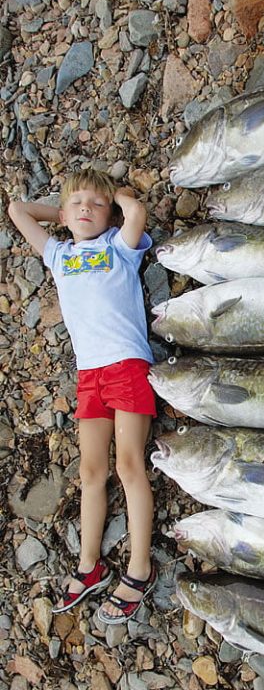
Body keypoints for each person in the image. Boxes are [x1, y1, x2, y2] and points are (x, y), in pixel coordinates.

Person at [8, 169, 157, 624]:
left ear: (109, 214)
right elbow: (18, 209)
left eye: (95, 204)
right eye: (77, 204)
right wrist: (66, 214)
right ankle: (90, 565)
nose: (85, 210)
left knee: (128, 465)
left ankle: (140, 568)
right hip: (89, 374)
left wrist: (117, 198)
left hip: (127, 365)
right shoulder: (59, 254)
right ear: (64, 216)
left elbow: (136, 213)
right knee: (91, 472)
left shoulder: (119, 247)